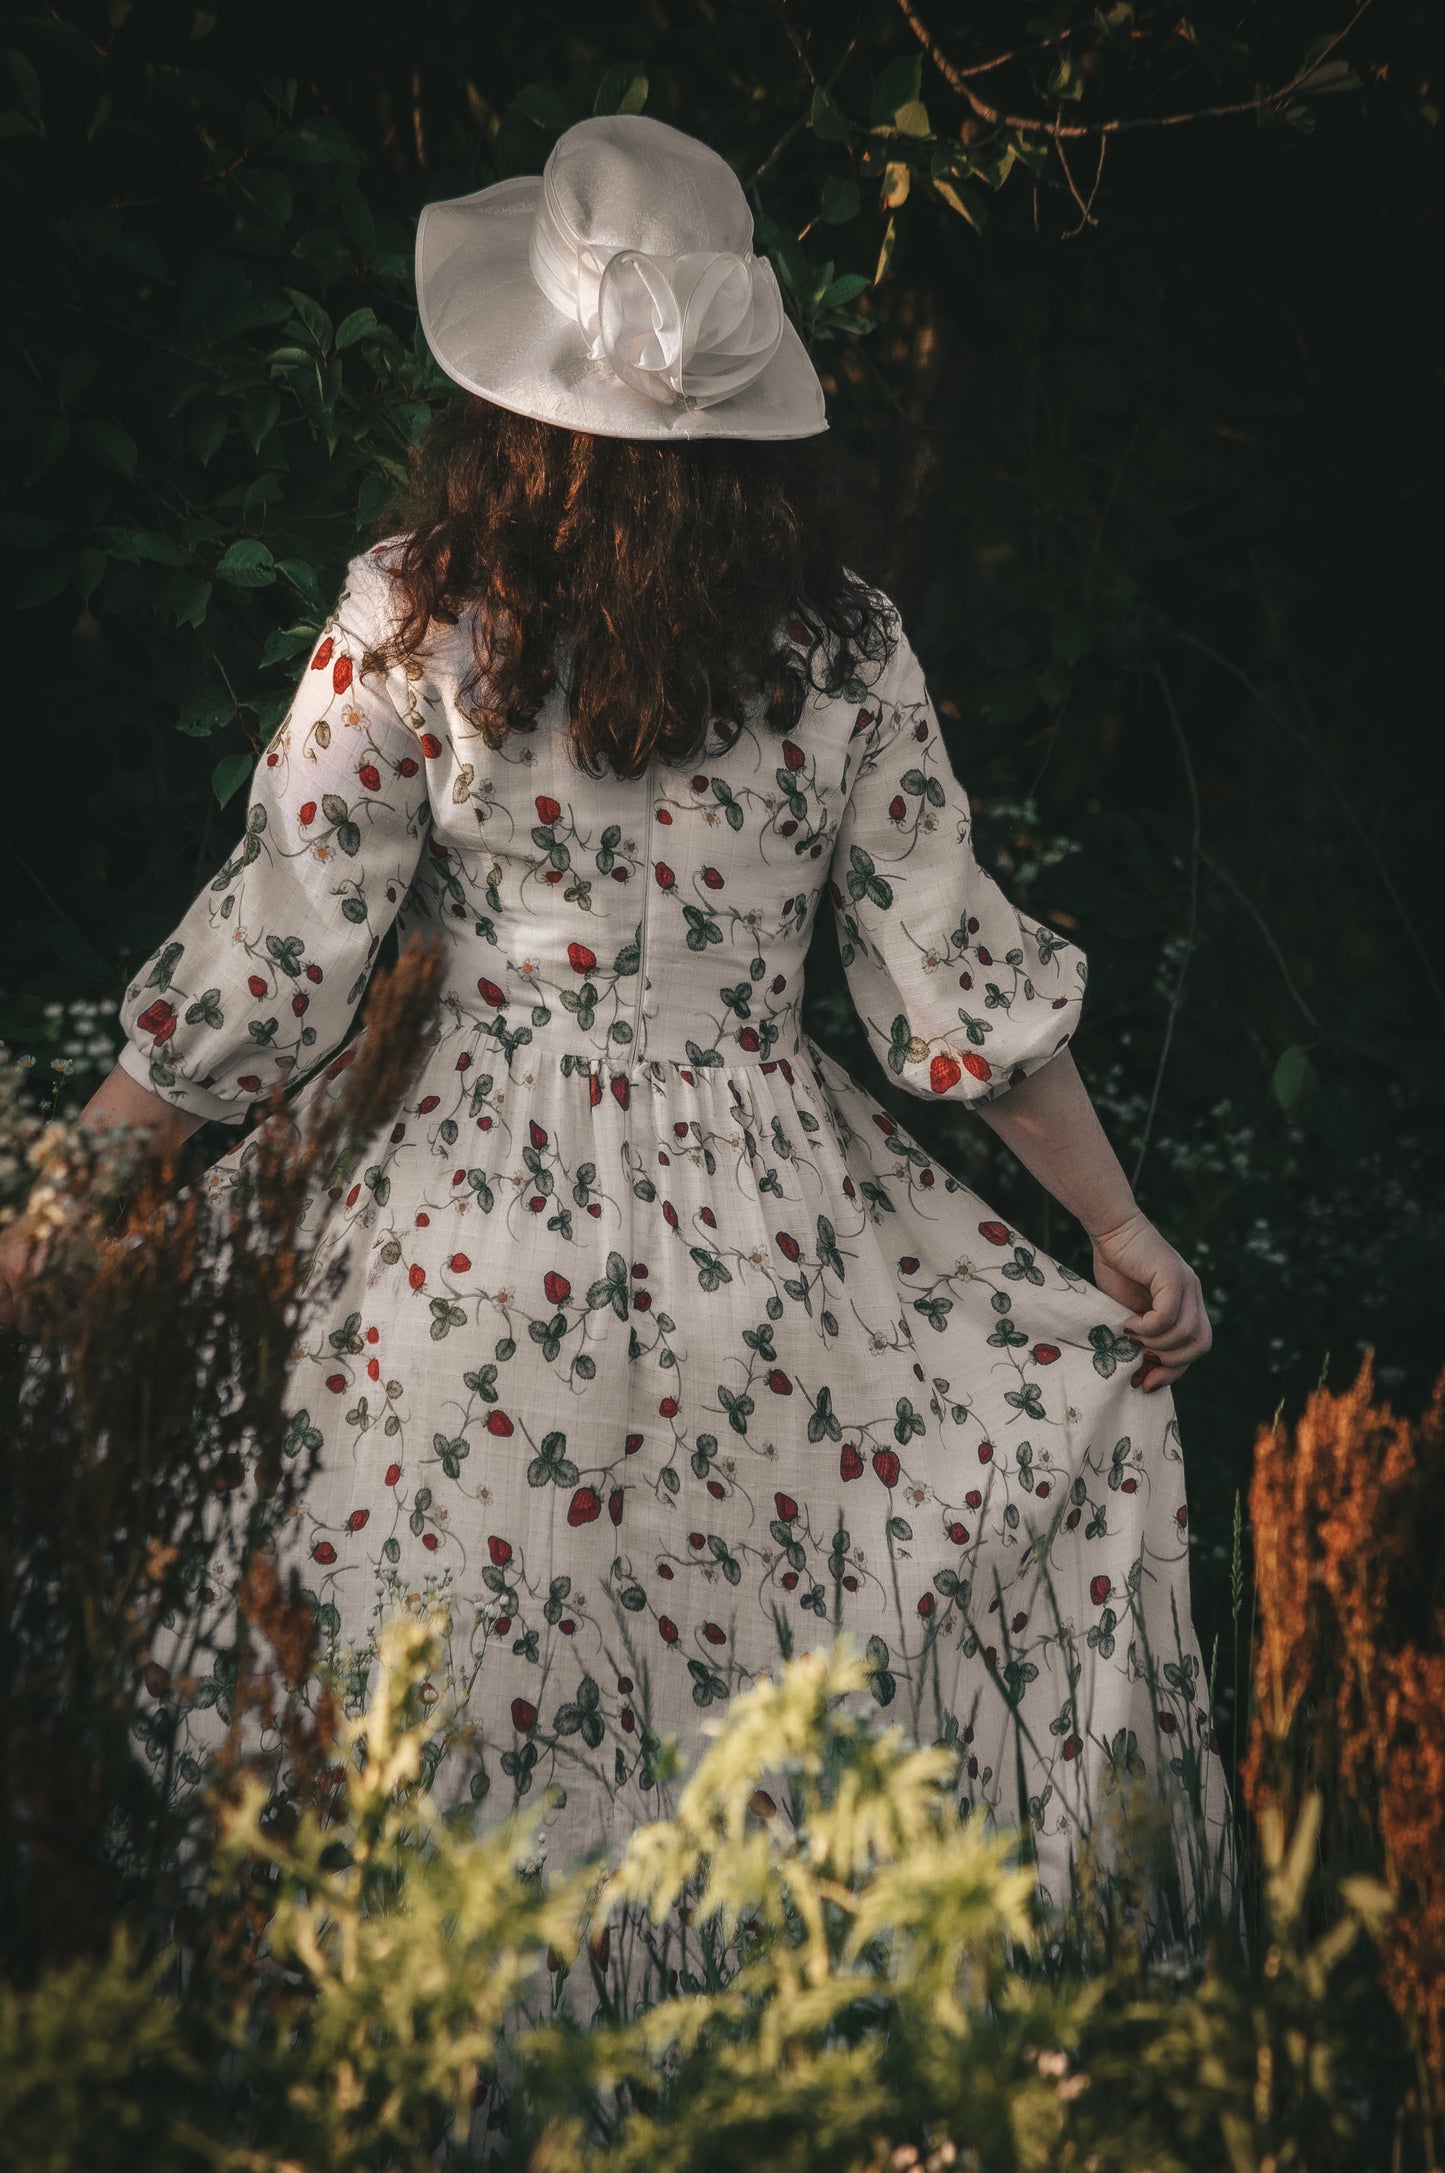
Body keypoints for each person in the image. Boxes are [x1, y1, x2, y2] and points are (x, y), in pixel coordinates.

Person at [0, 114, 1225, 1912]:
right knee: (759, 1683)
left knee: (436, 1683)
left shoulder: (412, 621)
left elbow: (275, 960)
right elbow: (954, 984)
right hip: (785, 1241)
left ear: (513, 388)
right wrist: (1113, 1227)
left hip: (451, 1231)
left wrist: (64, 1209)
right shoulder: (840, 643)